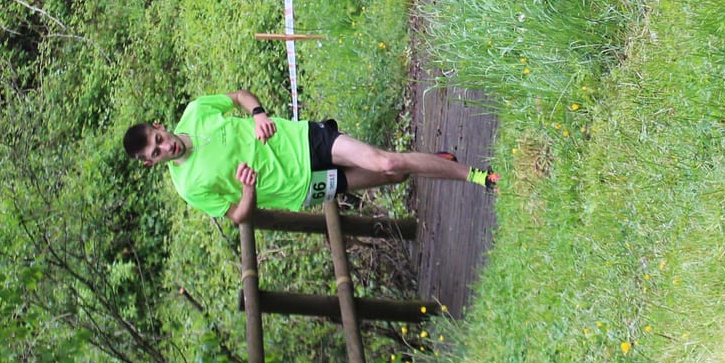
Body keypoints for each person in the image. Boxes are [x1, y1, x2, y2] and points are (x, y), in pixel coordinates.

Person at [124, 89, 496, 225]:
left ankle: (478, 176)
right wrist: (248, 189)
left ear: (159, 126)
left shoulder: (196, 112)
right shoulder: (188, 187)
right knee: (393, 175)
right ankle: (436, 162)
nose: (166, 147)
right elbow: (237, 215)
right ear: (151, 163)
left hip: (301, 140)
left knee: (387, 162)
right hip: (301, 187)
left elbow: (239, 97)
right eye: (156, 152)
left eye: (159, 139)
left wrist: (259, 115)